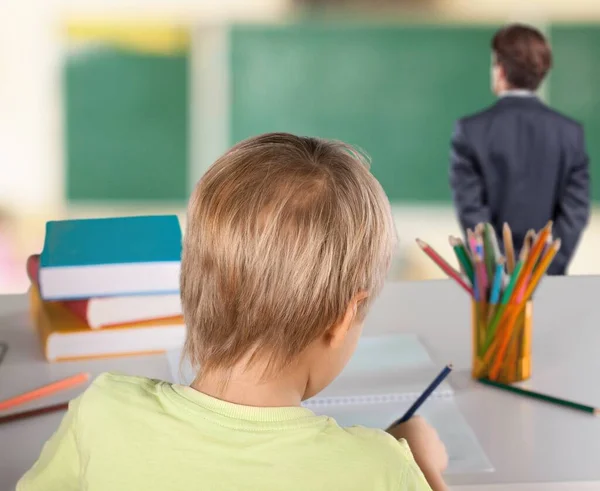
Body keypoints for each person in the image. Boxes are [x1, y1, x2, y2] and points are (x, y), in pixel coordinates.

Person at [18, 133, 448, 491]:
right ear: (341, 317)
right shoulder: (379, 471)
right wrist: (422, 469)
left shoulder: (102, 412)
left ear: (189, 282)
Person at [450, 24, 590, 275]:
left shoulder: (470, 131)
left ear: (500, 70)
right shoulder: (570, 133)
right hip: (549, 275)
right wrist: (545, 266)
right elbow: (575, 211)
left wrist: (499, 268)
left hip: (490, 284)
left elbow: (470, 209)